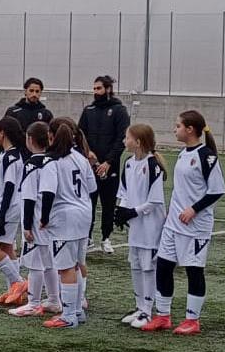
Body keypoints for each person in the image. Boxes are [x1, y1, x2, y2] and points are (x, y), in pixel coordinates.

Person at [141, 111, 225, 336]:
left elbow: (217, 190)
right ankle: (163, 315)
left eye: (178, 126)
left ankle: (192, 320)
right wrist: (173, 210)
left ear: (190, 129)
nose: (174, 129)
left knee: (194, 270)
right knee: (163, 266)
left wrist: (194, 209)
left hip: (195, 227)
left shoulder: (206, 156)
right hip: (173, 224)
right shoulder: (182, 153)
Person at [40, 118, 97, 330]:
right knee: (77, 264)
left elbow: (48, 193)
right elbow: (93, 189)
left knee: (66, 268)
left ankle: (69, 315)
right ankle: (78, 310)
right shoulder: (81, 158)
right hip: (84, 215)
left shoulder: (52, 161)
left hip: (65, 219)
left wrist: (44, 218)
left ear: (50, 136)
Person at [115, 122, 167, 329]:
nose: (124, 141)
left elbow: (155, 201)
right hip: (136, 226)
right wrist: (121, 212)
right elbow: (124, 192)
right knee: (135, 265)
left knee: (148, 267)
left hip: (150, 226)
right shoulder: (128, 163)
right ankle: (139, 307)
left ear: (138, 142)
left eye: (127, 137)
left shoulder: (153, 165)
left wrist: (133, 211)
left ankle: (148, 309)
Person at [10, 121, 59, 318]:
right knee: (49, 261)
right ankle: (54, 300)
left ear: (30, 139)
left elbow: (29, 196)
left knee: (34, 263)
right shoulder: (52, 161)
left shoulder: (32, 164)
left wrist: (27, 225)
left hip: (36, 219)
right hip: (50, 219)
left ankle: (33, 303)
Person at [77, 75, 129, 254]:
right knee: (88, 202)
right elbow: (80, 135)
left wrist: (108, 162)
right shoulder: (88, 110)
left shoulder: (119, 110)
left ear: (108, 89)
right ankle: (88, 237)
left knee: (108, 204)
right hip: (90, 166)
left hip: (110, 167)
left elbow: (121, 139)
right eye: (94, 88)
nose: (95, 92)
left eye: (99, 88)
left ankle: (106, 237)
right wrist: (87, 153)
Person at [0, 116, 29, 305]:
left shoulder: (11, 157)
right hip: (7, 207)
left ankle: (19, 283)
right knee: (7, 247)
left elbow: (9, 187)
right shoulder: (7, 154)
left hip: (8, 208)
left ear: (3, 133)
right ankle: (15, 292)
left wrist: (1, 215)